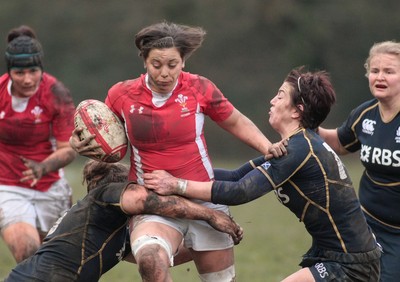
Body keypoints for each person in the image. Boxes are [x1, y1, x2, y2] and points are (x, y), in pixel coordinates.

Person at [70, 21, 285, 281]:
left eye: (172, 65)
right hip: (154, 203)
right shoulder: (122, 94)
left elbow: (235, 121)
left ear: (183, 61)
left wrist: (267, 147)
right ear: (144, 62)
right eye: (156, 65)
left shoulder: (200, 88)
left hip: (204, 196)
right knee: (150, 261)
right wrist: (78, 142)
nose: (164, 73)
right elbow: (103, 132)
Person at [144, 67, 382, 281]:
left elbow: (239, 192)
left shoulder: (300, 150)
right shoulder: (296, 146)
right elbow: (236, 176)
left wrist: (177, 184)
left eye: (280, 95)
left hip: (351, 263)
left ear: (297, 111)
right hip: (337, 255)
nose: (272, 100)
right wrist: (172, 172)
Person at [4, 160, 243, 282]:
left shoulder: (111, 230)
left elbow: (168, 256)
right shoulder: (104, 196)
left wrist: (215, 241)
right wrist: (211, 215)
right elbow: (150, 202)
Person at [317, 41, 400, 282]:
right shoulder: (365, 114)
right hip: (366, 224)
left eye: (389, 71)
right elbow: (341, 143)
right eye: (375, 71)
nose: (379, 77)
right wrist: (306, 124)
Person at [0, 25, 76, 263]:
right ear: (9, 72)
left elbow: (69, 149)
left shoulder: (55, 93)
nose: (27, 79)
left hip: (51, 187)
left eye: (33, 71)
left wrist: (42, 167)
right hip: (9, 186)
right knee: (28, 252)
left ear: (41, 68)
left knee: (58, 262)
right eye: (19, 73)